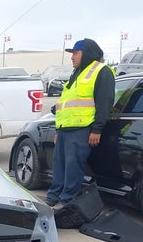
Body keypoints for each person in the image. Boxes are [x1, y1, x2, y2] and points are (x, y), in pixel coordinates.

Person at [45, 38, 115, 208]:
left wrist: (97, 129)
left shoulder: (101, 71)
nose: (72, 57)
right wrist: (58, 129)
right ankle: (54, 196)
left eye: (75, 53)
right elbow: (65, 103)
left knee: (73, 167)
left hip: (81, 129)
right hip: (65, 128)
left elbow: (104, 102)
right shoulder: (77, 72)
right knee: (59, 165)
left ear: (87, 53)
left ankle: (67, 201)